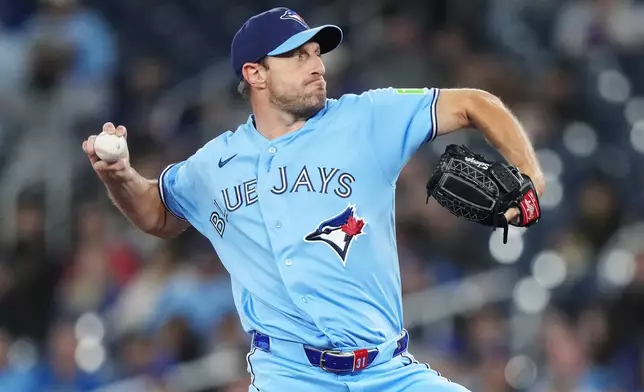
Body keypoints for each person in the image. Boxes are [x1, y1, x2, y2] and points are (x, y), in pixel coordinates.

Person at [82, 7, 545, 392]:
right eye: (298, 56)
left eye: (316, 53)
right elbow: (158, 213)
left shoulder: (365, 119)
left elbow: (475, 104)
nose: (317, 64)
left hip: (386, 373)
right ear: (255, 73)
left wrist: (532, 176)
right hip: (290, 375)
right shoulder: (213, 164)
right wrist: (120, 175)